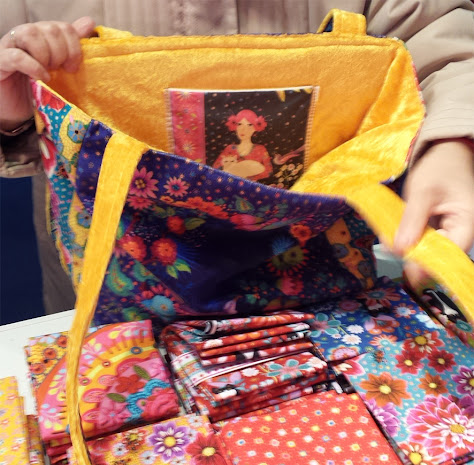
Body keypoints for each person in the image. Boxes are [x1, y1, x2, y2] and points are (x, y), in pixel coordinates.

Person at [0, 1, 473, 313]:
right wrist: (13, 115)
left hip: (324, 291)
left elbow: (441, 37)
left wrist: (452, 142)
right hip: (112, 284)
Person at [213, 110, 273, 180]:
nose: (243, 129)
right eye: (239, 124)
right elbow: (215, 167)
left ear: (255, 128)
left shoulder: (260, 149)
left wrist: (249, 178)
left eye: (249, 125)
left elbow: (268, 171)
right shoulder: (230, 149)